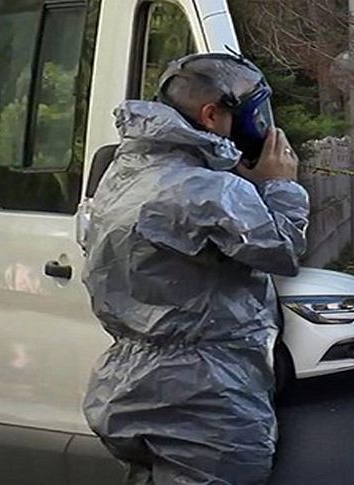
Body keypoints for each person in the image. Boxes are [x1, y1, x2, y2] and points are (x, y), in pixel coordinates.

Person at [81, 53, 309, 484]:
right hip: (205, 395)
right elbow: (282, 250)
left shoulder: (126, 170)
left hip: (128, 383)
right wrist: (281, 184)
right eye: (253, 112)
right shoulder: (205, 189)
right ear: (211, 114)